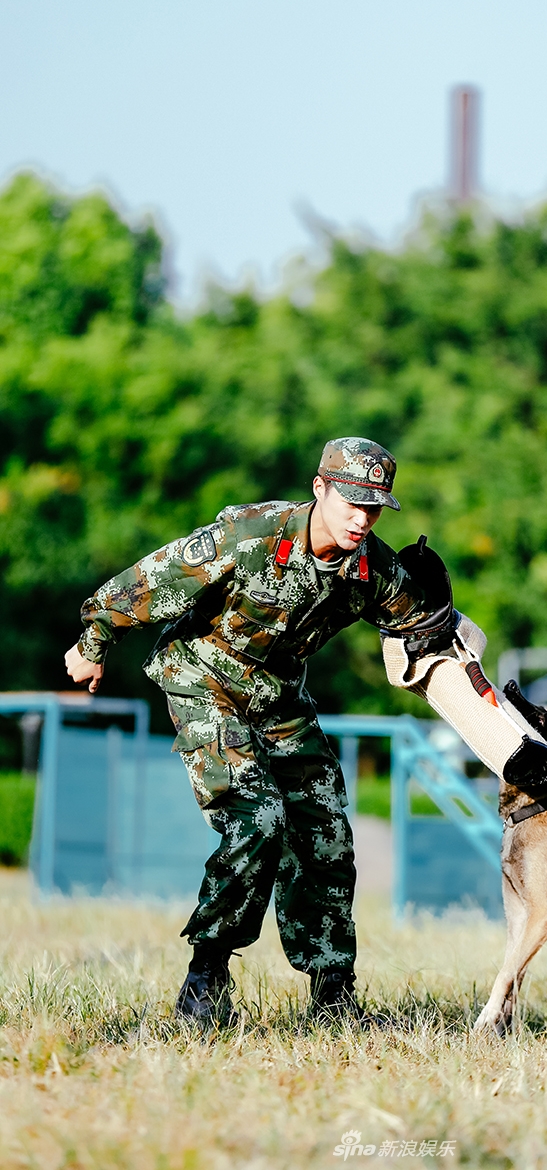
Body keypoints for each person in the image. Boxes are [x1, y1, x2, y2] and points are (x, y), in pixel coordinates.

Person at [64, 437, 444, 1027]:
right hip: (204, 676)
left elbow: (428, 630)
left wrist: (440, 612)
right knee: (256, 817)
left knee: (327, 834)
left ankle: (334, 999)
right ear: (319, 489)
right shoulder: (254, 537)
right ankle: (205, 981)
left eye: (374, 508)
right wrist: (94, 642)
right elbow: (153, 577)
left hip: (280, 698)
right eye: (351, 502)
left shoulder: (375, 569)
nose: (360, 518)